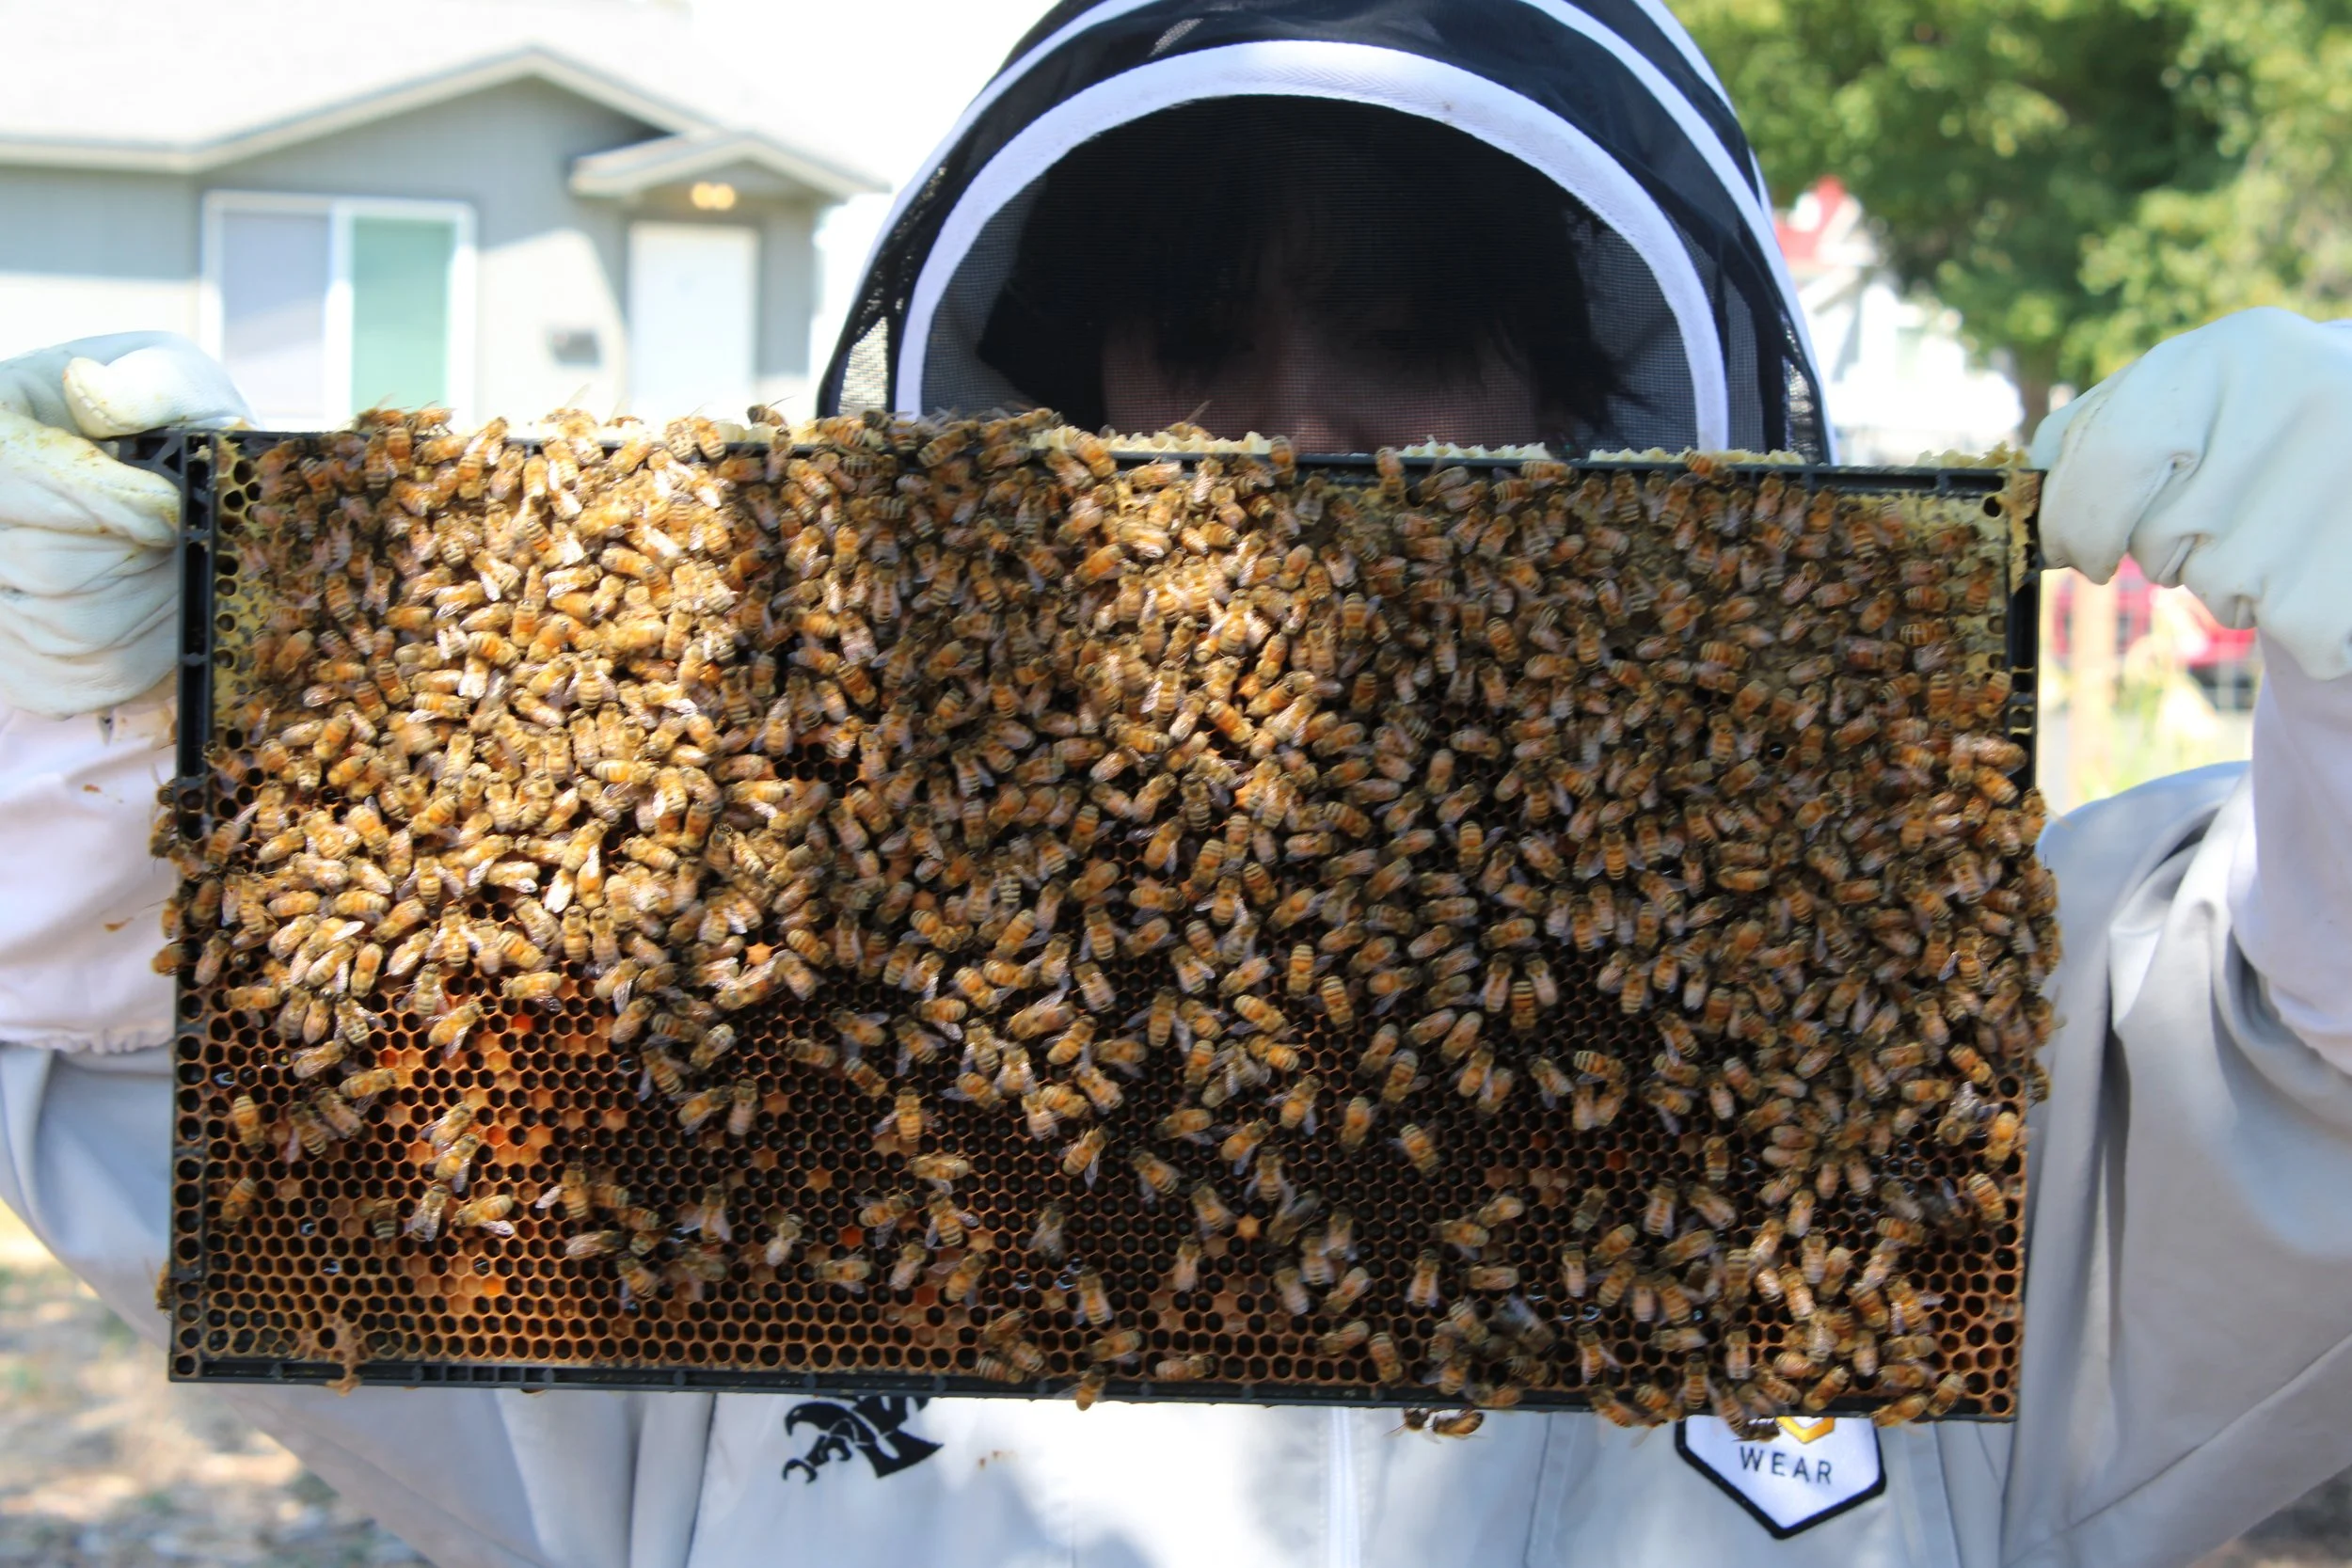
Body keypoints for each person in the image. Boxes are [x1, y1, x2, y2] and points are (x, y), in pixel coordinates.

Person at [6, 3, 2352, 1563]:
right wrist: (95, 762)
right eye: (1195, 341)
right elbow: (206, 1085)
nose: (1292, 429)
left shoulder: (1930, 1064)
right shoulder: (757, 1065)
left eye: (1410, 335)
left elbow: (2299, 1103)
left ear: (1614, 415)